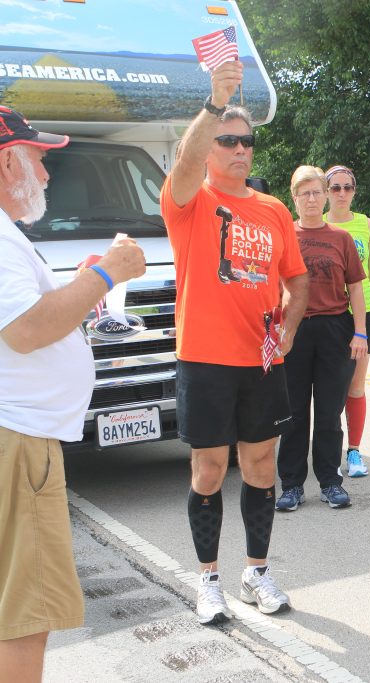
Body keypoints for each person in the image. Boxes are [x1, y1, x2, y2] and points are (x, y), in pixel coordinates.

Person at [160, 61, 309, 625]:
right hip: (204, 358)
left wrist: (289, 330)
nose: (240, 148)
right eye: (228, 140)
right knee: (208, 469)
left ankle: (257, 572)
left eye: (247, 141)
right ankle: (208, 580)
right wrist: (215, 103)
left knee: (262, 464)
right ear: (208, 148)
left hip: (261, 361)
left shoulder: (273, 209)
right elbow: (183, 162)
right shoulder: (189, 200)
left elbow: (296, 279)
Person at [0, 106, 146, 682]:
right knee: (25, 611)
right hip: (19, 440)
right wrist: (105, 274)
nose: (46, 174)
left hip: (17, 434)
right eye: (39, 160)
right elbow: (26, 329)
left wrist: (82, 287)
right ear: (6, 163)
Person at [275, 166, 367, 512]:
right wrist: (275, 330)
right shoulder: (284, 236)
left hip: (334, 329)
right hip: (294, 330)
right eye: (305, 194)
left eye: (317, 192)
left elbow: (355, 288)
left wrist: (360, 332)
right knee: (294, 412)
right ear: (294, 198)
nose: (312, 199)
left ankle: (330, 482)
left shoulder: (341, 239)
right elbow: (272, 286)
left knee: (329, 411)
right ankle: (291, 486)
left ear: (326, 196)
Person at [324, 164, 370, 478]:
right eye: (335, 188)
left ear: (354, 191)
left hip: (360, 316)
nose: (342, 193)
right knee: (330, 388)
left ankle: (354, 451)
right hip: (328, 314)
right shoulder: (317, 222)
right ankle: (329, 452)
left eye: (347, 187)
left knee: (355, 385)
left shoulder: (367, 225)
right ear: (326, 192)